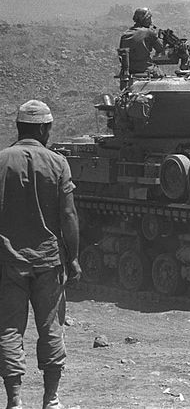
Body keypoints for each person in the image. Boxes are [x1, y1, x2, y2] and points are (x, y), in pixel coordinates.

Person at [0, 100, 81, 409]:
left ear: (19, 128)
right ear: (45, 129)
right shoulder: (58, 163)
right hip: (48, 261)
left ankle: (15, 400)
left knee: (8, 328)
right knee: (51, 328)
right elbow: (69, 216)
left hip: (8, 261)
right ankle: (51, 398)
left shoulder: (2, 160)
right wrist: (72, 258)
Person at [118, 7, 165, 74]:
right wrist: (159, 37)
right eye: (149, 19)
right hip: (146, 69)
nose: (151, 22)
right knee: (161, 75)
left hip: (129, 71)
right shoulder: (149, 32)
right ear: (145, 19)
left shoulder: (125, 34)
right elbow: (160, 48)